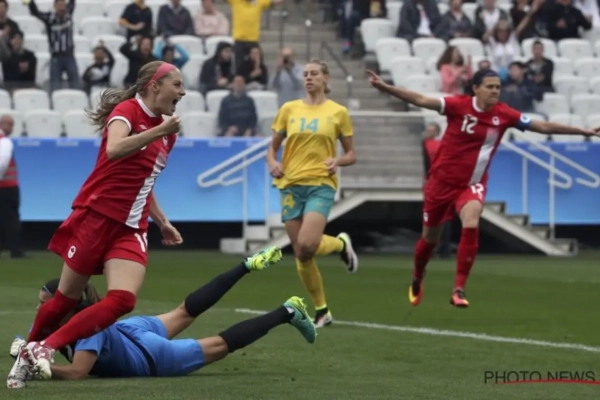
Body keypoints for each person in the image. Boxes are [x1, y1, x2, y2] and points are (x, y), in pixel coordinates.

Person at [7, 60, 186, 389]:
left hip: (131, 228)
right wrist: (159, 131)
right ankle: (28, 354)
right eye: (177, 84)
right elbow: (115, 149)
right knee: (64, 299)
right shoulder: (128, 111)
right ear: (154, 86)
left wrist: (162, 222)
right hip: (97, 218)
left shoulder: (167, 133)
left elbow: (144, 180)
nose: (183, 92)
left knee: (123, 300)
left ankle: (44, 347)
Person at [366, 68, 600, 308]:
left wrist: (582, 131)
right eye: (490, 87)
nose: (495, 91)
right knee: (429, 238)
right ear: (476, 88)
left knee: (472, 221)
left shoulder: (504, 114)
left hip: (472, 183)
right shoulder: (458, 106)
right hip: (441, 183)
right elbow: (421, 100)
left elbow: (542, 126)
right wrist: (386, 87)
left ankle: (458, 289)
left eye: (497, 87)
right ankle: (418, 275)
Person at [8, 247, 316, 384]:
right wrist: (24, 348)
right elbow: (31, 344)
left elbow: (77, 372)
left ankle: (287, 311)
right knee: (184, 311)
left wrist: (40, 369)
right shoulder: (55, 320)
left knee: (219, 345)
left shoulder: (89, 327)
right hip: (129, 331)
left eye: (45, 303)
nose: (40, 309)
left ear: (69, 306)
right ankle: (246, 265)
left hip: (147, 355)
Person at [266, 59, 359, 328]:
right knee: (302, 254)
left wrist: (337, 161)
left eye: (314, 74)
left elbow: (351, 154)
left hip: (321, 184)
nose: (308, 78)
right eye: (305, 74)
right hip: (290, 184)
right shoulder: (289, 109)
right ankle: (322, 310)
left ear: (325, 78)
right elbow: (272, 148)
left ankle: (340, 245)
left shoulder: (338, 112)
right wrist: (273, 163)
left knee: (307, 244)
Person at [0, 114, 25, 258]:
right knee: (11, 218)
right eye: (9, 124)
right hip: (8, 187)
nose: (11, 128)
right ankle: (15, 250)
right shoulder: (5, 141)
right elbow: (2, 163)